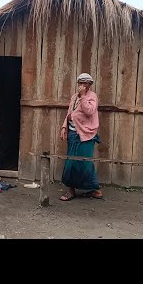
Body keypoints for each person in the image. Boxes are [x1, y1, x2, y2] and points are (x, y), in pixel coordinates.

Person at [59, 73, 103, 201]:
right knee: (71, 162)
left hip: (86, 135)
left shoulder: (91, 97)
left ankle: (95, 189)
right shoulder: (74, 97)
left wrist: (83, 96)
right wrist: (64, 127)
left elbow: (89, 111)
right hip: (73, 133)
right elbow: (70, 113)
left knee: (84, 163)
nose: (82, 85)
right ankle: (71, 190)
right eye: (80, 83)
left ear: (89, 85)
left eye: (85, 83)